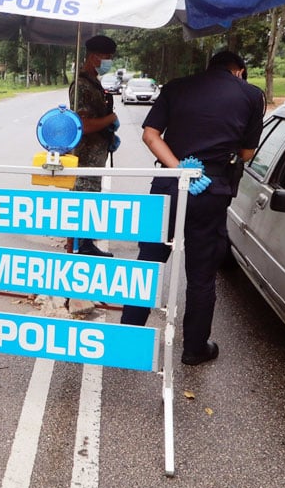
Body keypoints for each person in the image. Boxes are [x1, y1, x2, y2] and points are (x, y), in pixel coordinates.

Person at [119, 50, 264, 366]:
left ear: (209, 66)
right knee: (201, 272)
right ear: (239, 70)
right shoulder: (252, 95)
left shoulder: (176, 86)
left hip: (169, 183)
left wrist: (179, 169)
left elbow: (150, 134)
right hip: (211, 190)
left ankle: (127, 338)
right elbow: (247, 152)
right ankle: (194, 348)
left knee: (148, 262)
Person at [68, 34, 120, 257]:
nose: (108, 61)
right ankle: (81, 247)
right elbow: (83, 125)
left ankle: (85, 243)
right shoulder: (81, 85)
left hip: (96, 154)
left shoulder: (93, 81)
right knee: (83, 198)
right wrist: (110, 119)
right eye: (106, 57)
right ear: (93, 57)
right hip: (85, 156)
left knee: (91, 198)